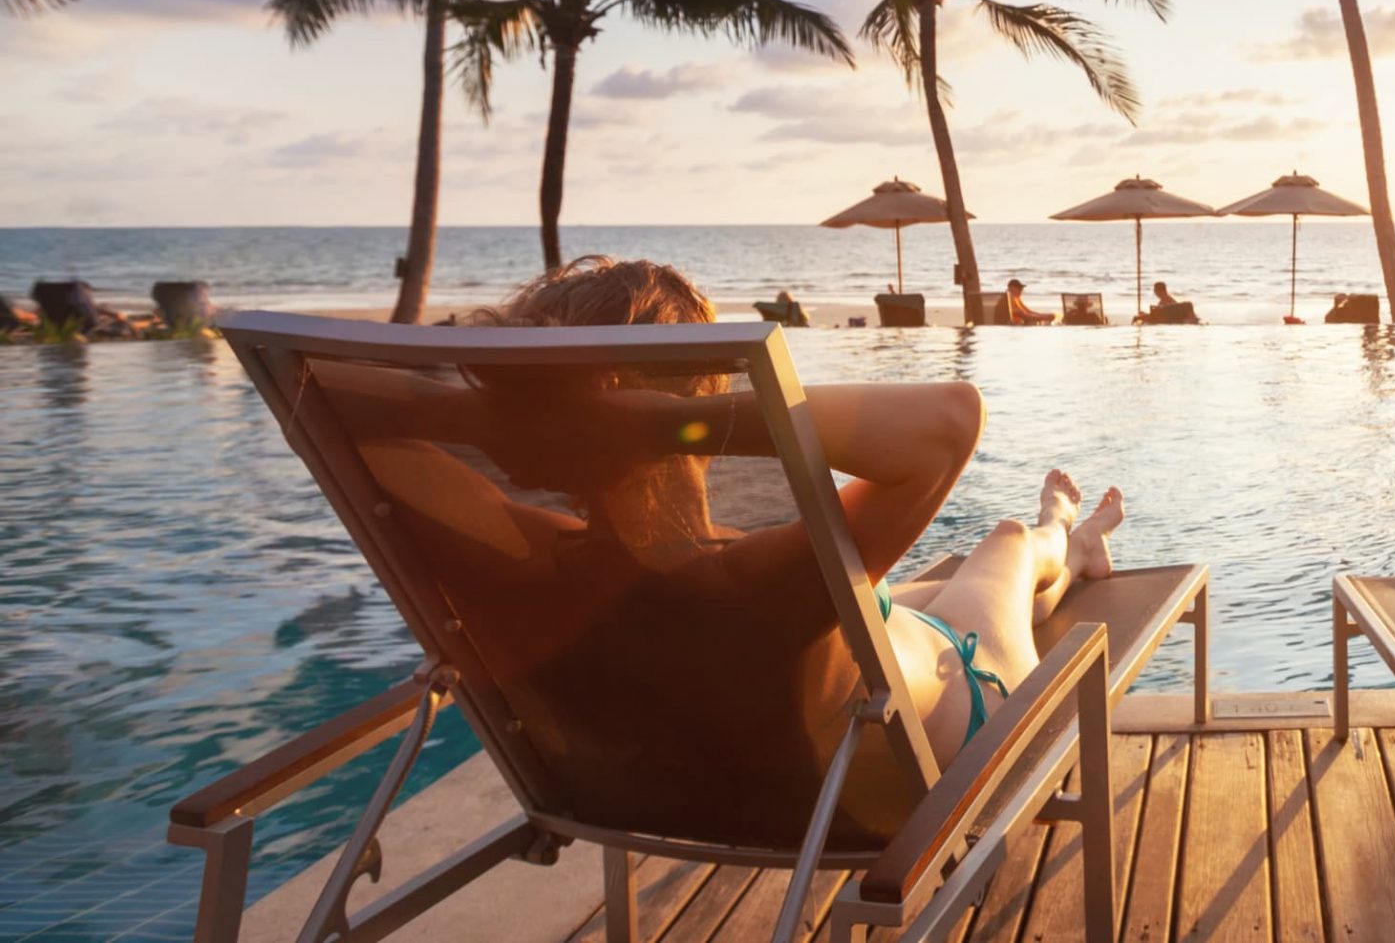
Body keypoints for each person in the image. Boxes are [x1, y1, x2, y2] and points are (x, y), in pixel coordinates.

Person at [318, 257, 1123, 766]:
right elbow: (950, 419)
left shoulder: (524, 553)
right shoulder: (758, 581)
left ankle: (1074, 550)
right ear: (695, 401)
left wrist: (521, 421)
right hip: (968, 700)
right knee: (1010, 544)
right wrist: (661, 419)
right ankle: (1067, 529)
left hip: (853, 663)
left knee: (927, 588)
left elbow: (319, 394)